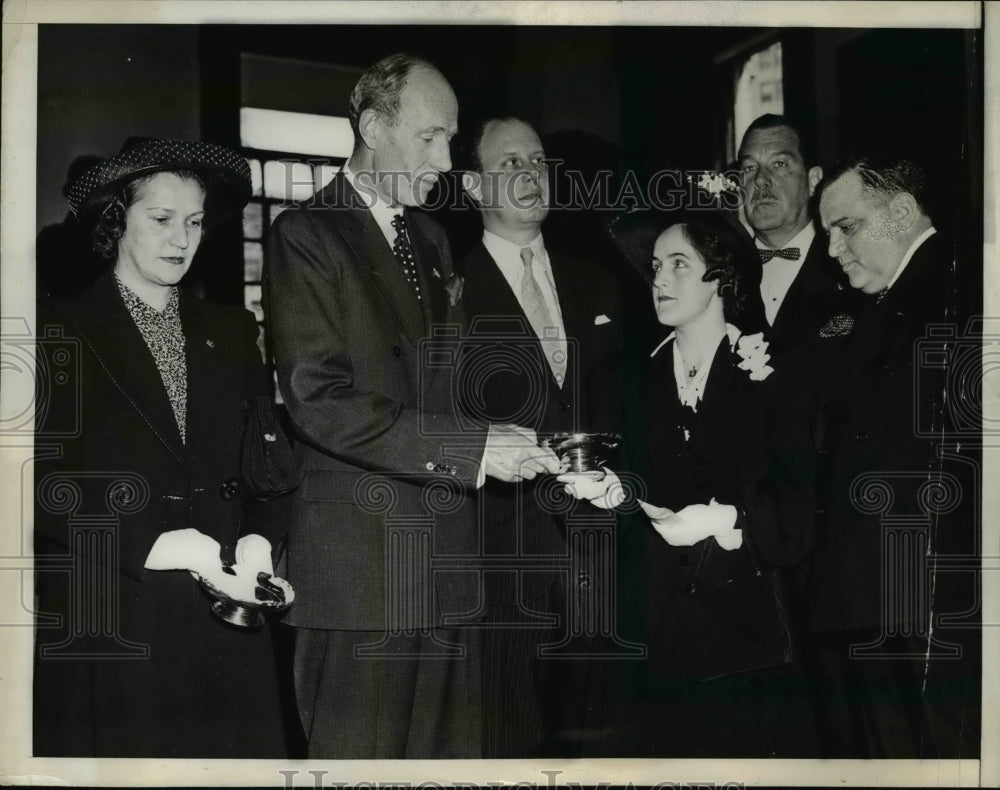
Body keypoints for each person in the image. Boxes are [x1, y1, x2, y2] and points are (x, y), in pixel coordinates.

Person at [263, 54, 560, 759]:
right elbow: (319, 399)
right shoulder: (306, 235)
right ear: (372, 127)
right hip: (359, 575)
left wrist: (505, 440)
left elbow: (436, 392)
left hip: (446, 568)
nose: (446, 159)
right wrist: (473, 449)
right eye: (430, 137)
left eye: (451, 139)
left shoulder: (429, 240)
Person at [33, 137, 292, 757]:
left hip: (226, 615)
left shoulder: (231, 331)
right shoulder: (57, 329)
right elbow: (37, 480)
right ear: (116, 221)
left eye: (195, 222)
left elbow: (267, 462)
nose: (182, 239)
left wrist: (260, 542)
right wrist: (154, 539)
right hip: (119, 611)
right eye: (161, 219)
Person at [564, 209, 818, 757]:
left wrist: (729, 519)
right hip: (643, 645)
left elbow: (800, 516)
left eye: (680, 264)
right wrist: (609, 497)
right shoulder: (620, 381)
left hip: (743, 644)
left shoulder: (773, 378)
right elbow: (612, 513)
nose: (659, 279)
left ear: (722, 277)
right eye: (656, 266)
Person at [458, 116, 622, 756]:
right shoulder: (449, 289)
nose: (529, 175)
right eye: (509, 164)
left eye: (538, 161)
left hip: (595, 550)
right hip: (497, 554)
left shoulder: (599, 280)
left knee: (595, 738)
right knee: (508, 736)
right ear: (472, 184)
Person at [808, 153, 979, 758]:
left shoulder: (959, 291)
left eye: (846, 227)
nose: (831, 249)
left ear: (901, 212)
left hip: (928, 592)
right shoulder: (896, 300)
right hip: (885, 589)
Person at [737, 114, 860, 355]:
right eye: (749, 168)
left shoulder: (852, 266)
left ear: (813, 180)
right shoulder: (719, 272)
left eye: (779, 164)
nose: (761, 180)